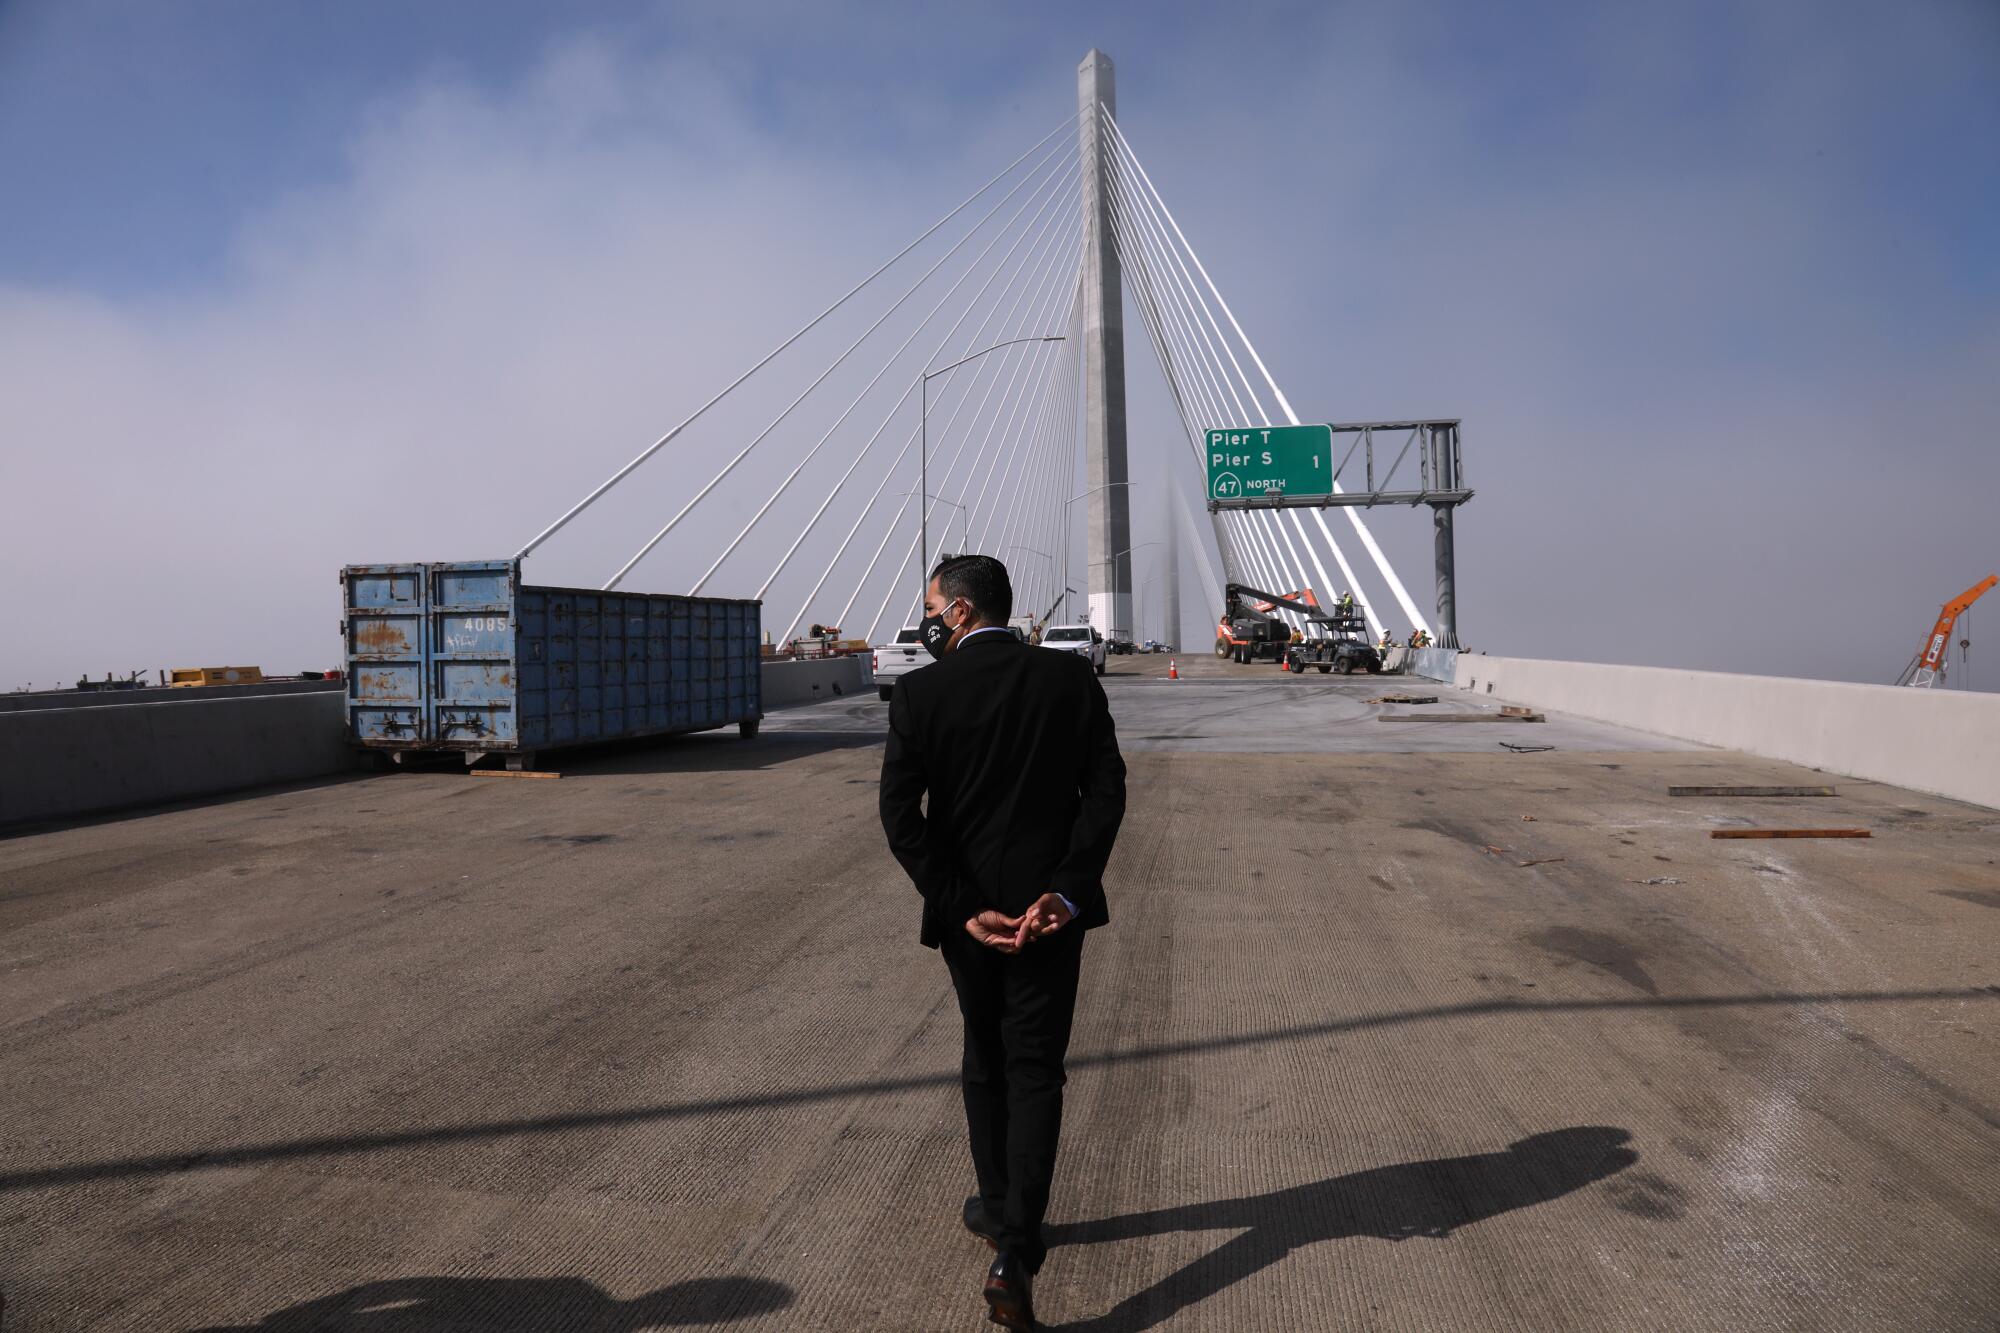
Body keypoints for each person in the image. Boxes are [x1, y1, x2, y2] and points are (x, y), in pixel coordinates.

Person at [880, 554, 1126, 1331]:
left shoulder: (920, 694)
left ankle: (998, 1208)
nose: (926, 619)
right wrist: (1065, 890)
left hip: (973, 920)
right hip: (1050, 915)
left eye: (930, 606)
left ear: (957, 611)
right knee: (1036, 1067)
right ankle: (1014, 1243)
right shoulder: (1070, 681)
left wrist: (963, 908)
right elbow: (1107, 790)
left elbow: (901, 819)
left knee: (984, 1058)